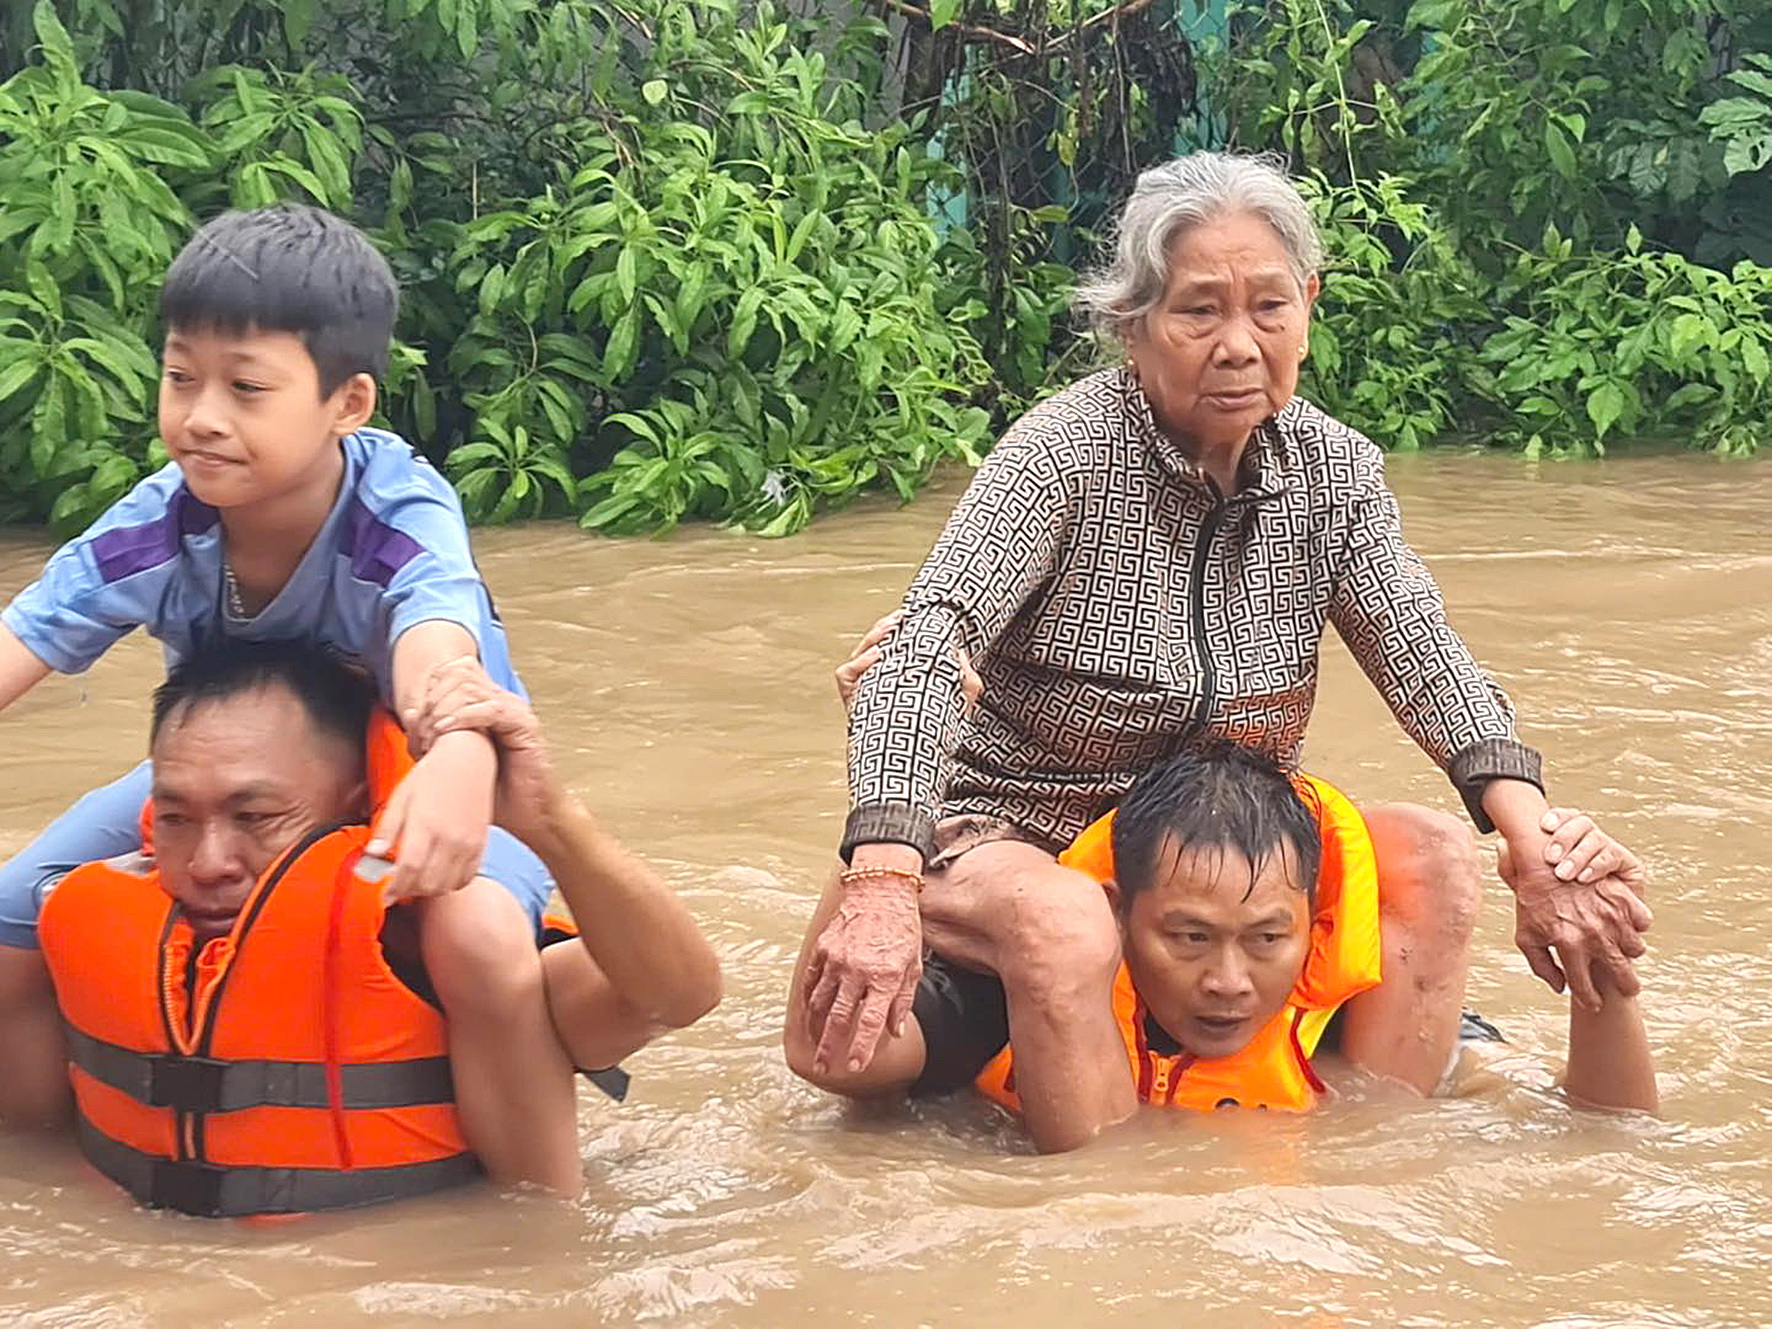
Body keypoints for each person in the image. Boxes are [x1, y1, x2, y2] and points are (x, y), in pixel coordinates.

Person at [788, 150, 1651, 1152]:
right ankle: (1115, 1214)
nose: (1238, 346)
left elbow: (1423, 653)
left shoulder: (1334, 472)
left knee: (1434, 855)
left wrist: (1535, 845)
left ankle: (1365, 1161)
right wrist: (884, 882)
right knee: (1063, 924)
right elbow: (922, 646)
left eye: (1268, 308)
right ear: (1131, 325)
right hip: (1019, 847)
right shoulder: (1056, 459)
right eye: (1198, 311)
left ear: (1309, 306)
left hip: (1222, 859)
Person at [0, 204, 572, 1189]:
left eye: (245, 387)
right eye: (180, 377)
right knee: (12, 914)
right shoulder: (160, 522)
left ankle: (543, 1215)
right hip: (244, 779)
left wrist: (459, 764)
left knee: (476, 933)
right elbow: (21, 640)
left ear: (347, 404)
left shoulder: (400, 513)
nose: (200, 415)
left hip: (427, 765)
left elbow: (442, 650)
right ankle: (50, 1175)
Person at [32, 639, 721, 1214]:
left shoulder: (433, 947)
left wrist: (554, 824)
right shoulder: (84, 923)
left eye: (256, 817)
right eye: (178, 817)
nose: (209, 862)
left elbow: (674, 996)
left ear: (355, 807)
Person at [791, 741, 1654, 1146]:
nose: (1230, 982)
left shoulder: (1359, 1017)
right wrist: (877, 866)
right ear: (1119, 916)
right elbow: (837, 1061)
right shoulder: (1020, 996)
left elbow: (1613, 1138)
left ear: (1312, 928)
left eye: (1267, 938)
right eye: (1189, 937)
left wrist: (1603, 959)